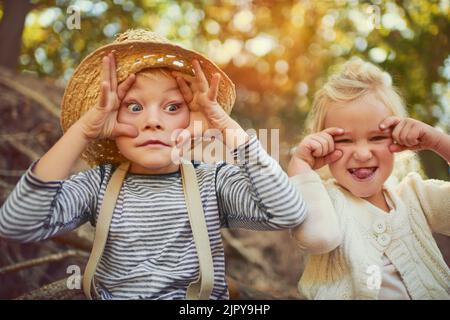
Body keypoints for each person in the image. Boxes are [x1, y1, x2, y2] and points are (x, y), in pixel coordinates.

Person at [0, 29, 307, 300]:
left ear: (192, 119)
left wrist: (226, 127)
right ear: (111, 121)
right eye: (134, 107)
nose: (153, 122)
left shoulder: (213, 183)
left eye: (173, 107)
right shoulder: (98, 185)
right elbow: (16, 223)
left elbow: (289, 212)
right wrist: (83, 131)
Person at [288, 57, 450, 299]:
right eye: (344, 140)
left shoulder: (416, 196)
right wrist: (300, 163)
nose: (363, 154)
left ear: (398, 139)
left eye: (376, 138)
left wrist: (438, 141)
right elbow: (316, 237)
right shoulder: (326, 201)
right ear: (322, 144)